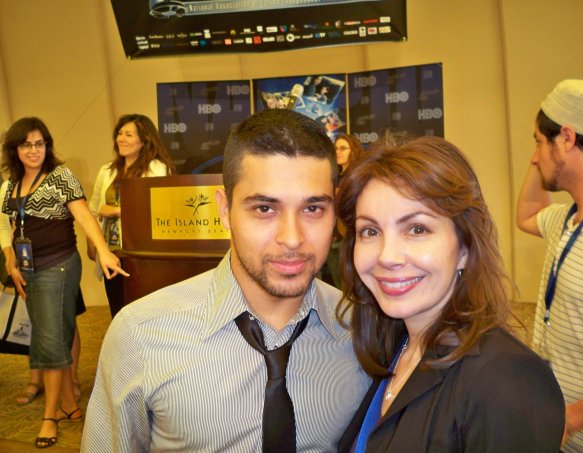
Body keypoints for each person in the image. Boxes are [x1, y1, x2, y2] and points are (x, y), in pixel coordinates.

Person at [81, 108, 370, 452]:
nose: (292, 238)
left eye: (312, 209)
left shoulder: (362, 330)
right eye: (264, 208)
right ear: (224, 209)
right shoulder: (140, 335)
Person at [336, 135, 565, 452]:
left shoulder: (506, 379)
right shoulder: (391, 348)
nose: (387, 256)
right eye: (370, 231)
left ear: (466, 248)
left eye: (417, 229)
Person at [0, 117, 128, 448]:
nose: (34, 150)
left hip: (57, 266)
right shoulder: (11, 183)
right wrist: (11, 262)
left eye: (40, 143)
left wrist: (103, 252)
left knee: (51, 340)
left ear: (48, 146)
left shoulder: (60, 176)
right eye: (27, 144)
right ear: (15, 148)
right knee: (50, 333)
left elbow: (85, 215)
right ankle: (69, 402)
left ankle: (50, 415)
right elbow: (14, 227)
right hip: (27, 270)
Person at [516, 79, 583, 451]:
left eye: (538, 142)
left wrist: (571, 418)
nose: (534, 158)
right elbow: (526, 213)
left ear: (567, 138)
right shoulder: (564, 219)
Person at [87, 113, 174, 318]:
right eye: (119, 133)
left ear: (144, 140)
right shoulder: (106, 171)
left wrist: (117, 210)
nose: (121, 139)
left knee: (145, 311)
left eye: (128, 134)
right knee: (118, 310)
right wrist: (92, 244)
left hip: (144, 255)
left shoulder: (157, 169)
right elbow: (92, 210)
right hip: (112, 253)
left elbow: (161, 209)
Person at [322, 134, 363, 289]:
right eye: (336, 148)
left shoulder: (357, 175)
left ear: (353, 151)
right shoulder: (335, 176)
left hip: (348, 235)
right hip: (334, 235)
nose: (338, 152)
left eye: (343, 148)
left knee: (349, 285)